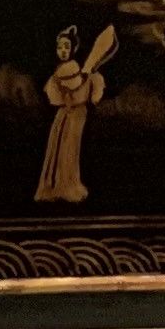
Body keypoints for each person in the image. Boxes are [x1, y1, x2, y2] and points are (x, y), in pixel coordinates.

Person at [36, 25, 113, 204]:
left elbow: (78, 86)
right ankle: (56, 185)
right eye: (60, 47)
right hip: (66, 113)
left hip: (75, 114)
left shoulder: (73, 67)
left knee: (69, 148)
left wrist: (87, 75)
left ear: (73, 49)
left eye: (67, 47)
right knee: (61, 147)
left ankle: (66, 185)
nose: (63, 51)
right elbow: (57, 94)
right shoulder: (66, 69)